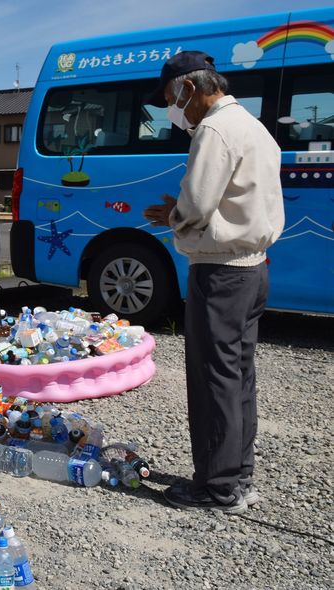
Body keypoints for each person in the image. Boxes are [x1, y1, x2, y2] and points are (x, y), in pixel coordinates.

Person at [143, 51, 284, 513]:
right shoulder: (253, 125)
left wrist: (173, 215)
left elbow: (197, 205)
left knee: (212, 377)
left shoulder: (214, 130)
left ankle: (218, 486)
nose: (171, 108)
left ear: (189, 87)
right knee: (238, 374)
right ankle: (237, 474)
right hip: (253, 264)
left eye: (170, 97)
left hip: (220, 269)